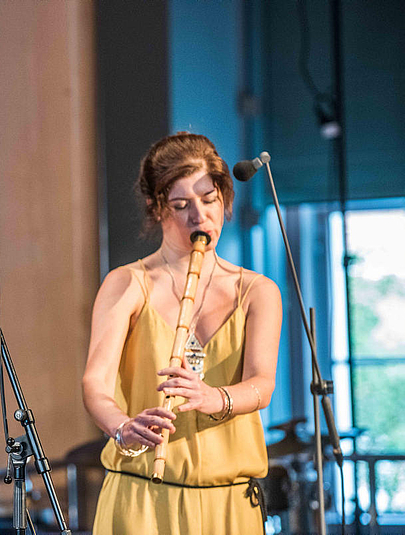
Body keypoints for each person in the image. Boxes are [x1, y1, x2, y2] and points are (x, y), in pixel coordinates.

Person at [82, 132, 282, 534]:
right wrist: (121, 427)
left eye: (209, 199)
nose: (199, 216)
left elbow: (262, 384)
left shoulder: (257, 290)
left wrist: (213, 397)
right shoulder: (127, 283)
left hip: (230, 504)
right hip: (142, 498)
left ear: (225, 201)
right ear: (156, 208)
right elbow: (95, 382)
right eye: (181, 205)